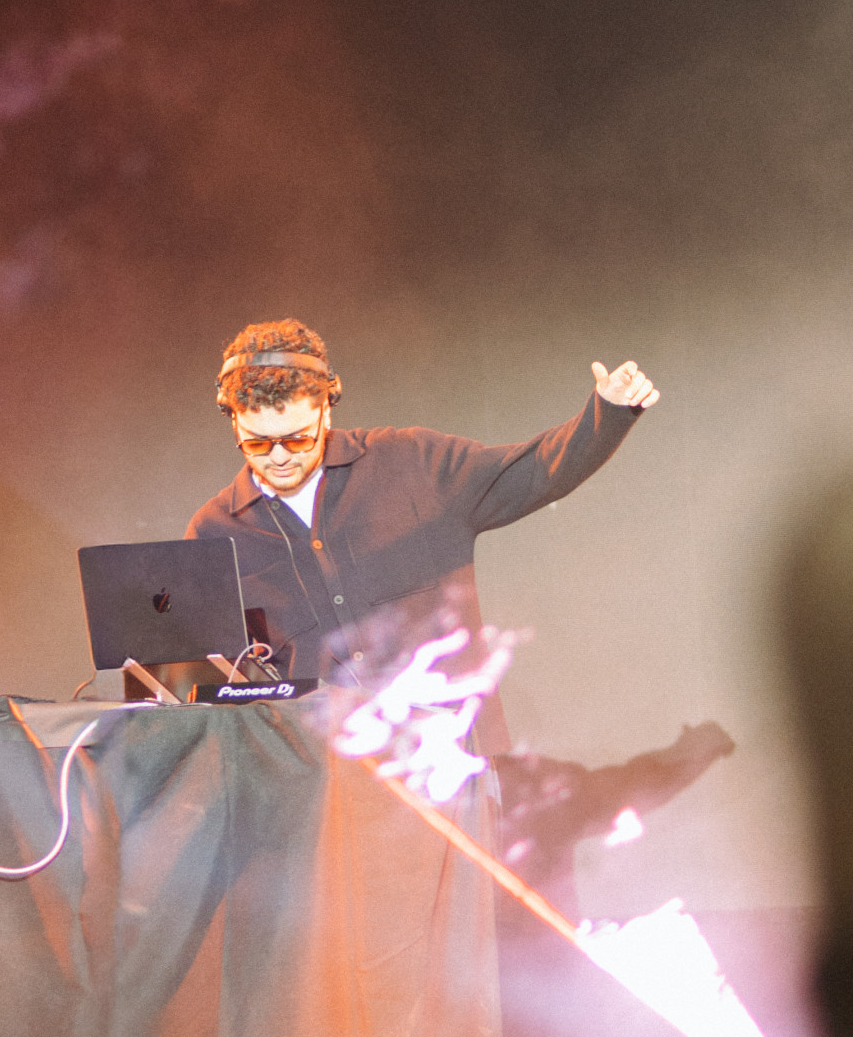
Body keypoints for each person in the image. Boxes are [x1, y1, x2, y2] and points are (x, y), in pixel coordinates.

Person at [186, 319, 658, 750]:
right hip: (326, 785)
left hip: (451, 765)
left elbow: (535, 472)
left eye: (297, 438)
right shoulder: (213, 534)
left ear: (327, 410)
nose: (279, 456)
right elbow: (206, 688)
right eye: (257, 442)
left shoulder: (413, 462)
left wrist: (608, 414)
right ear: (233, 420)